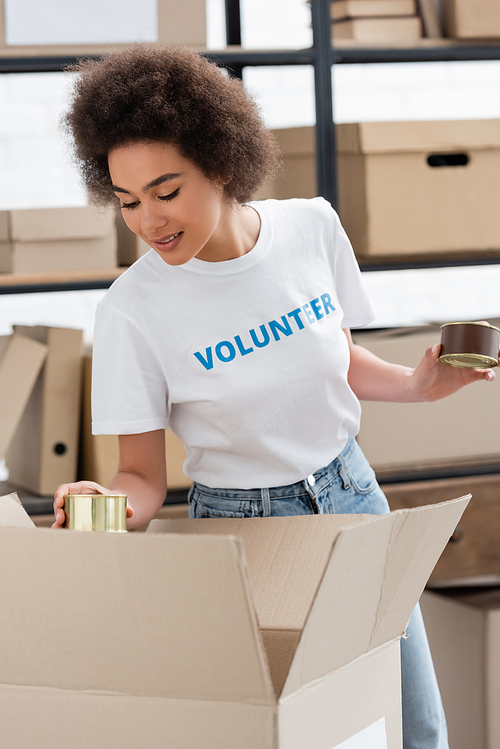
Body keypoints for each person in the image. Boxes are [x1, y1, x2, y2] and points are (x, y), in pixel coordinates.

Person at [53, 43, 495, 749]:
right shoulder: (131, 310)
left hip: (354, 497)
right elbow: (140, 476)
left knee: (413, 726)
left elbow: (333, 356)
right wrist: (97, 507)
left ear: (221, 163)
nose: (147, 222)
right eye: (128, 200)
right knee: (284, 736)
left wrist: (417, 384)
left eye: (166, 191)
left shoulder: (312, 227)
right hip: (242, 530)